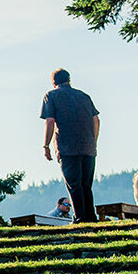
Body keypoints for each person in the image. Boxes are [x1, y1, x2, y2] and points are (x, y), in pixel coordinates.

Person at [41, 69, 100, 223]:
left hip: (67, 146)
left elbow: (50, 121)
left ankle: (79, 217)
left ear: (54, 82)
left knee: (74, 184)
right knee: (86, 184)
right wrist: (93, 141)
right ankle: (91, 217)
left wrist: (46, 145)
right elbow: (96, 120)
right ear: (69, 80)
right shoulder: (84, 96)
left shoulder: (51, 95)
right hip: (88, 146)